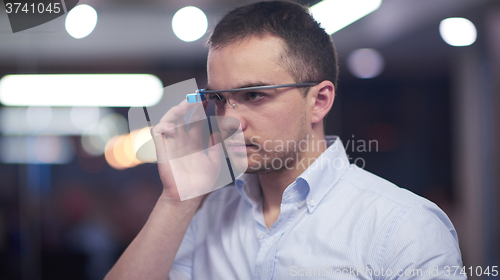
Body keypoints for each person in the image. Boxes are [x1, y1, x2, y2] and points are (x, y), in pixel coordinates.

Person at [106, 1, 465, 279]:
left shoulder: (403, 225)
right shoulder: (206, 216)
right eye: (219, 99)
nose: (229, 121)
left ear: (319, 101)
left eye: (255, 96)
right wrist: (175, 201)